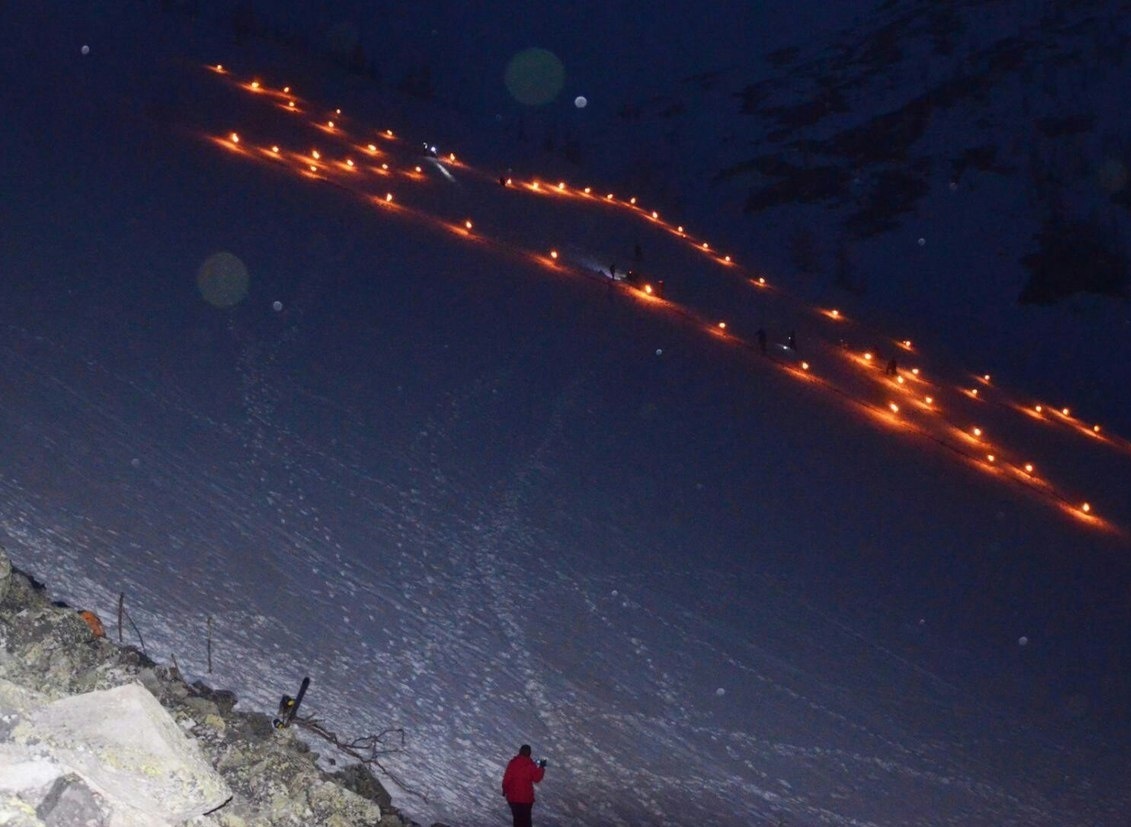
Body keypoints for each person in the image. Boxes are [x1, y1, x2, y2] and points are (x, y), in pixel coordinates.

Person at [502, 744, 546, 827]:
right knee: (526, 821)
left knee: (517, 820)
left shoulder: (513, 763)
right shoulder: (531, 765)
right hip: (526, 799)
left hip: (513, 798)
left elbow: (507, 778)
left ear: (520, 751)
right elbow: (537, 779)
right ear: (529, 753)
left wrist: (505, 789)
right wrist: (541, 768)